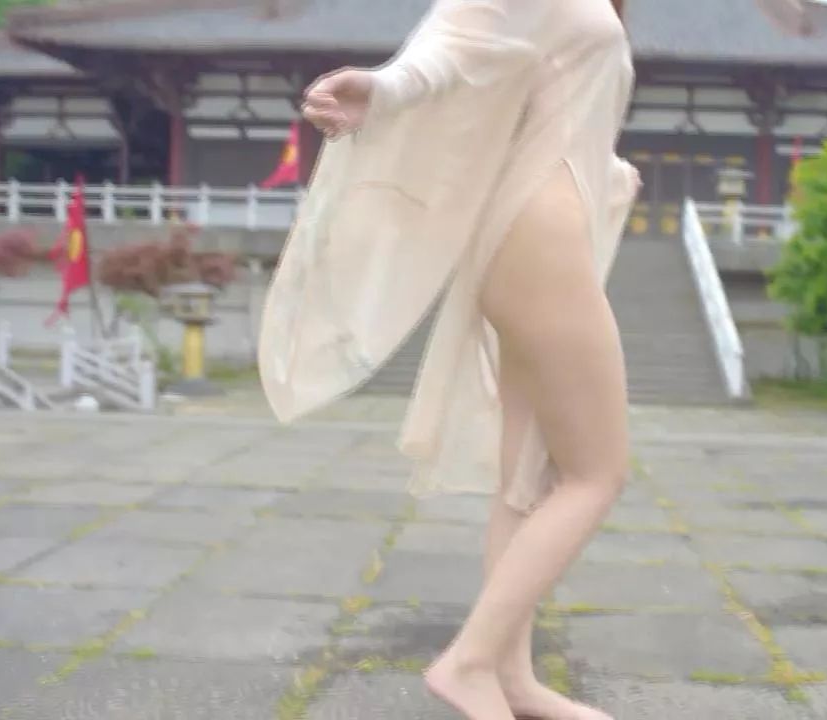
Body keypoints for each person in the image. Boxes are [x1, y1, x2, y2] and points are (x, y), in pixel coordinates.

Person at [259, 0, 639, 718]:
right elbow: (456, 44)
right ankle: (469, 662)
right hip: (538, 236)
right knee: (596, 473)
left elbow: (535, 103)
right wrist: (384, 88)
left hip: (537, 229)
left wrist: (611, 172)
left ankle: (513, 679)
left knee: (527, 475)